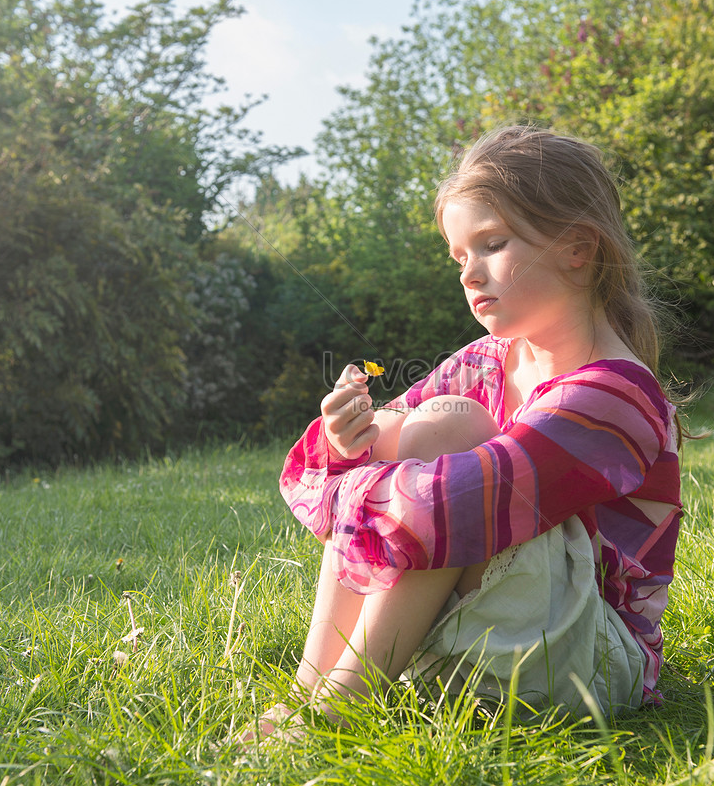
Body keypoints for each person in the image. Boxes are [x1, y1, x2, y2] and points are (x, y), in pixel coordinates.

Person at [258, 125, 683, 740]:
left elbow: (472, 495)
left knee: (448, 439)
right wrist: (352, 433)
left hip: (588, 660)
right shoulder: (485, 360)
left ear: (577, 247)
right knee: (433, 437)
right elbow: (383, 444)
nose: (469, 273)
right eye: (459, 256)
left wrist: (383, 450)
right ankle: (312, 689)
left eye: (492, 244)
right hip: (491, 635)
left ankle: (334, 710)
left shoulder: (615, 394)